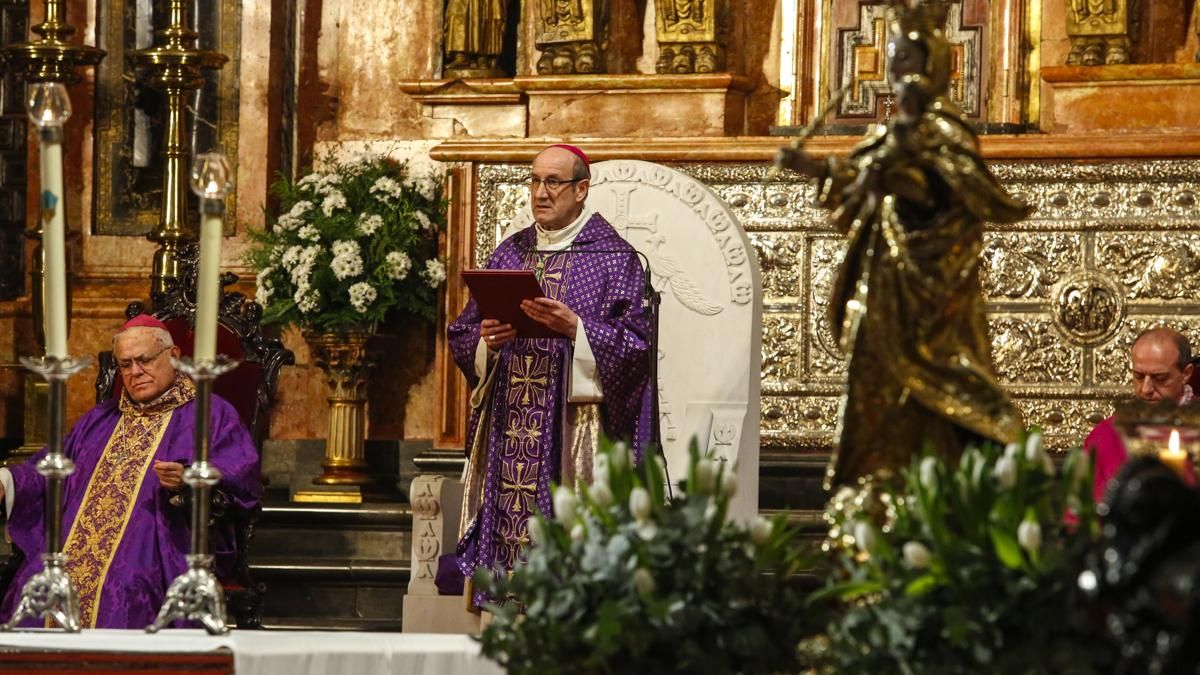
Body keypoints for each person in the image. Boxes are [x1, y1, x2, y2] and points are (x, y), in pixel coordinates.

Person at [774, 0, 1028, 490]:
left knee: (937, 386)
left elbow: (951, 193)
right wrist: (813, 168)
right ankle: (875, 483)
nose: (899, 74)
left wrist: (899, 172)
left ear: (933, 65)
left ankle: (946, 488)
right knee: (874, 379)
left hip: (931, 288)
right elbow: (855, 183)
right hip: (885, 279)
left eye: (908, 62)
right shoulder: (888, 132)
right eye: (894, 63)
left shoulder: (945, 134)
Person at [442, 144, 654, 605]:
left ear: (581, 189)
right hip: (511, 428)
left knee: (569, 552)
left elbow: (637, 346)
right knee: (506, 568)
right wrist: (487, 341)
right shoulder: (509, 252)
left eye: (553, 182)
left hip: (573, 433)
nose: (540, 192)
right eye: (535, 180)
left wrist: (577, 329)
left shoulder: (615, 258)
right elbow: (462, 331)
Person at [0, 315, 261, 629]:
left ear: (174, 356)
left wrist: (188, 483)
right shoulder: (99, 419)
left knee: (126, 588)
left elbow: (241, 478)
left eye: (144, 360)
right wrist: (6, 481)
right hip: (70, 551)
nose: (135, 372)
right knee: (34, 584)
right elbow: (49, 467)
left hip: (162, 546)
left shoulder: (211, 414)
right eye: (125, 365)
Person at [1084, 327, 1195, 502]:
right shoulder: (1106, 435)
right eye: (1138, 376)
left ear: (1186, 374)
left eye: (1160, 378)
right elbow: (1081, 512)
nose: (1146, 389)